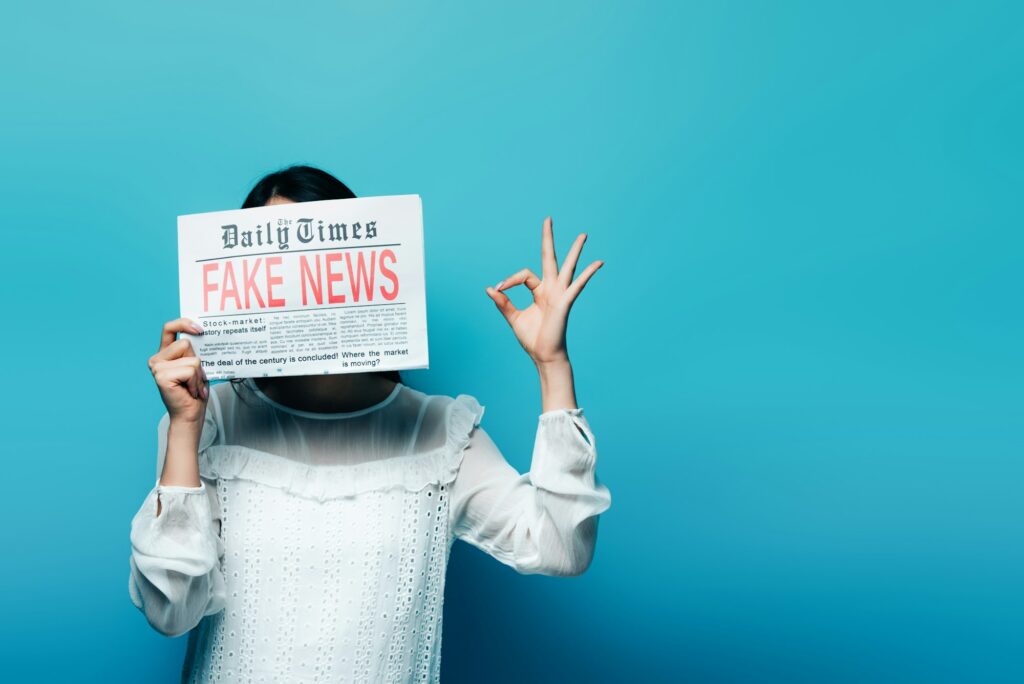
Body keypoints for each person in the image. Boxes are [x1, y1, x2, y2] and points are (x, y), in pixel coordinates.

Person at [127, 165, 612, 683]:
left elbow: (564, 548)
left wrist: (552, 365)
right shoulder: (209, 420)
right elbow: (170, 611)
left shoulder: (441, 433)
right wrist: (184, 427)